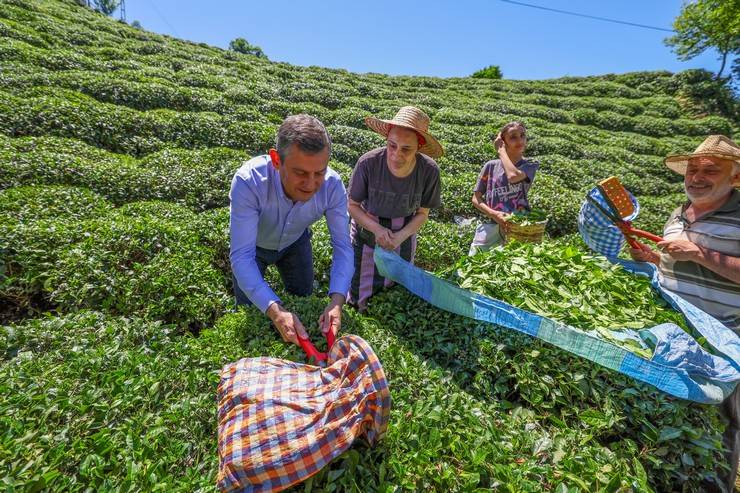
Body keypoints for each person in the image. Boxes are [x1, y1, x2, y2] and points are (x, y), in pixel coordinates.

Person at [628, 135, 740, 491]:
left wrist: (698, 254)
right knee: (677, 421)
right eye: (693, 169)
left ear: (735, 178)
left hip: (726, 340)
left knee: (720, 426)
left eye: (711, 170)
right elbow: (673, 263)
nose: (697, 177)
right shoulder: (678, 214)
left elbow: (696, 257)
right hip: (678, 335)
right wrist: (652, 258)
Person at [229, 114, 354, 346]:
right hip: (254, 248)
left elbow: (343, 247)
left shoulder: (333, 185)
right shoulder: (249, 181)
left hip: (296, 242)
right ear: (276, 160)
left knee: (302, 296)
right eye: (300, 173)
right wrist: (275, 311)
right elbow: (242, 256)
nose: (311, 184)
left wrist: (337, 302)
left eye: (319, 173)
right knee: (251, 308)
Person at [346, 106, 443, 311]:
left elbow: (422, 214)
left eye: (406, 149)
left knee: (396, 292)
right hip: (367, 234)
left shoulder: (429, 171)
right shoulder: (368, 163)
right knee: (360, 293)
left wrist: (400, 237)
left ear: (419, 146)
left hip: (404, 236)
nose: (396, 154)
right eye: (392, 145)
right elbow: (353, 206)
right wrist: (378, 230)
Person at [469, 121, 539, 254]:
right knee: (477, 262)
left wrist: (501, 151)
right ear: (503, 141)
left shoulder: (530, 165)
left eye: (522, 135)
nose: (519, 140)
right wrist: (494, 214)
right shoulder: (490, 166)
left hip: (517, 227)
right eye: (513, 137)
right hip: (489, 225)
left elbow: (513, 176)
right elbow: (476, 198)